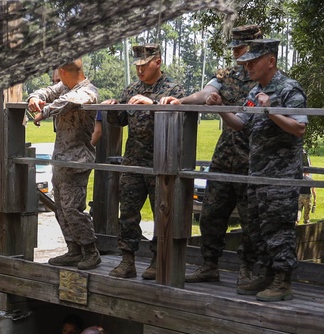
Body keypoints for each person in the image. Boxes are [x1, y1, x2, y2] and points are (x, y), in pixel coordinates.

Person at [161, 25, 260, 288]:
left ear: (256, 47)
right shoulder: (226, 76)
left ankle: (247, 270)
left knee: (251, 218)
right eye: (235, 49)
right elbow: (205, 93)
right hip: (225, 155)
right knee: (211, 213)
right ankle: (209, 266)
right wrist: (181, 102)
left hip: (253, 159)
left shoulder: (266, 77)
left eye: (241, 47)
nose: (237, 53)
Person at [220, 39, 307, 302]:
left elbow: (299, 127)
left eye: (253, 61)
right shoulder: (255, 92)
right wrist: (223, 109)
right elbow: (240, 123)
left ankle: (283, 282)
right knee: (258, 228)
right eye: (246, 62)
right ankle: (267, 275)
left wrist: (269, 110)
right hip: (257, 173)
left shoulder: (289, 88)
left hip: (281, 176)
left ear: (270, 61)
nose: (248, 66)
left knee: (279, 227)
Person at [102, 45, 184, 280]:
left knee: (162, 212)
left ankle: (159, 261)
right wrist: (113, 108)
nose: (139, 70)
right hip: (134, 162)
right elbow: (120, 121)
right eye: (136, 65)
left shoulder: (172, 88)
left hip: (161, 163)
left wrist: (152, 104)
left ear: (157, 62)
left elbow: (179, 116)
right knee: (127, 212)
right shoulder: (132, 89)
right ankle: (127, 260)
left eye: (144, 65)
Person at [28, 59, 102, 270]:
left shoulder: (87, 92)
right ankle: (73, 249)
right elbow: (48, 91)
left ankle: (90, 251)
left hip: (77, 160)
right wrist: (35, 98)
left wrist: (45, 110)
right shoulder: (65, 87)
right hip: (60, 158)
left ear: (62, 71)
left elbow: (70, 101)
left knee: (73, 209)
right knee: (60, 208)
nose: (57, 80)